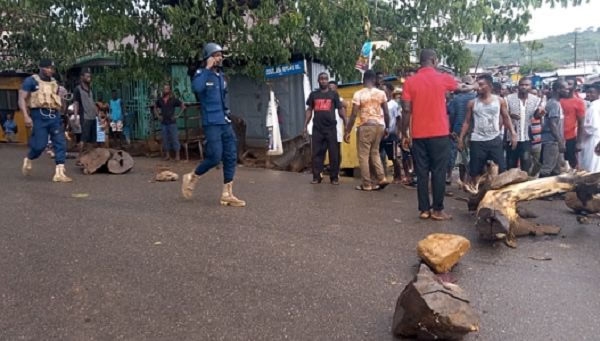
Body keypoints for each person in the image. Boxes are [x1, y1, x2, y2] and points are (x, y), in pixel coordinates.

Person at [182, 42, 245, 207]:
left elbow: (223, 99)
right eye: (216, 55)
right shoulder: (201, 74)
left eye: (220, 55)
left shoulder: (221, 77)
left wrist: (228, 114)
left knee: (231, 155)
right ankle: (192, 176)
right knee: (215, 156)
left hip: (224, 121)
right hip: (211, 123)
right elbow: (197, 88)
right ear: (209, 57)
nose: (220, 58)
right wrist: (207, 68)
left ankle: (227, 193)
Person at [401, 49, 458, 221]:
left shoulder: (409, 82)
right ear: (434, 60)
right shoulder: (443, 78)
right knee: (438, 171)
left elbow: (406, 110)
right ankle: (438, 209)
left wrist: (405, 133)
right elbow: (460, 87)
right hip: (439, 133)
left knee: (422, 172)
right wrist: (475, 86)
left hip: (418, 134)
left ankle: (424, 210)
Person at [19, 59, 72, 182]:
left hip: (54, 116)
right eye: (48, 68)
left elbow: (59, 98)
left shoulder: (55, 83)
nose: (50, 70)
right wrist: (26, 116)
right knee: (40, 145)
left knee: (60, 143)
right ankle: (29, 158)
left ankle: (59, 172)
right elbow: (21, 98)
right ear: (41, 68)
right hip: (39, 116)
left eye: (52, 68)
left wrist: (63, 110)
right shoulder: (30, 81)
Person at [458, 74, 517, 183]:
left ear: (489, 86)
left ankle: (498, 194)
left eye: (481, 84)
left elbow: (506, 117)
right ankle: (476, 193)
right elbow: (467, 122)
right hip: (477, 141)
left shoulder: (499, 101)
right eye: (477, 84)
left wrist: (513, 133)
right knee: (475, 171)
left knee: (501, 169)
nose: (478, 87)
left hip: (494, 139)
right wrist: (461, 139)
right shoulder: (472, 103)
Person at [344, 69, 390, 191]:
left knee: (363, 156)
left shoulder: (359, 94)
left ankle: (366, 184)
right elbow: (386, 112)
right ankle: (381, 178)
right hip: (379, 126)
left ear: (363, 80)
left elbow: (354, 114)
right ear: (374, 80)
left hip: (365, 126)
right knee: (374, 153)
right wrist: (388, 127)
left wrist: (347, 131)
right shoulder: (381, 94)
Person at [303, 72, 346, 184]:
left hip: (331, 129)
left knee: (334, 153)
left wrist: (346, 122)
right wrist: (305, 125)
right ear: (318, 80)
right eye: (321, 79)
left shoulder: (334, 95)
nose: (323, 81)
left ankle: (334, 178)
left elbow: (340, 109)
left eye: (325, 79)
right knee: (316, 154)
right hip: (317, 129)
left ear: (328, 80)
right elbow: (309, 110)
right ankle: (317, 177)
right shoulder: (313, 95)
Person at [505, 77, 542, 172]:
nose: (524, 87)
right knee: (511, 164)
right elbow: (503, 115)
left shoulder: (535, 100)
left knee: (526, 163)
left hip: (526, 137)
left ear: (530, 87)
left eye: (527, 85)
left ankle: (524, 184)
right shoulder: (508, 99)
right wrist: (510, 114)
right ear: (518, 86)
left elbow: (536, 116)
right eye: (522, 85)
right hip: (511, 137)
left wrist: (540, 114)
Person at [448, 76, 477, 185]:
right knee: (471, 156)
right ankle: (469, 180)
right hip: (473, 131)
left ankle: (456, 178)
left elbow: (451, 115)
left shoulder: (456, 99)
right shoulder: (476, 97)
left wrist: (451, 129)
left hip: (458, 130)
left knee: (458, 156)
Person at [539, 81, 567, 177]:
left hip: (554, 141)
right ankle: (539, 190)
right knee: (547, 169)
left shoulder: (554, 103)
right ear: (558, 90)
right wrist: (560, 141)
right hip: (552, 141)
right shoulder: (554, 104)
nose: (567, 91)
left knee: (557, 169)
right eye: (565, 89)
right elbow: (552, 124)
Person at [154, 84, 186, 161]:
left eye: (167, 89)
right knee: (165, 139)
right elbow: (155, 107)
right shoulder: (160, 100)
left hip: (172, 122)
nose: (165, 90)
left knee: (174, 138)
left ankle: (177, 156)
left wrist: (177, 115)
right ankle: (167, 155)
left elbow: (183, 106)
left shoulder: (174, 100)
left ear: (169, 90)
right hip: (164, 122)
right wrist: (158, 116)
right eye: (164, 89)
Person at [560, 78, 586, 169]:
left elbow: (581, 123)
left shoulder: (579, 102)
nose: (567, 86)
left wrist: (579, 142)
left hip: (570, 138)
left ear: (575, 87)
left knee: (572, 164)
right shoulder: (557, 100)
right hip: (557, 138)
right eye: (565, 84)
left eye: (570, 84)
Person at [379, 83, 402, 182]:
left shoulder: (394, 104)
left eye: (384, 90)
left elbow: (398, 118)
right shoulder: (379, 103)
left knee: (393, 157)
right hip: (379, 133)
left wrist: (398, 131)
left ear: (389, 92)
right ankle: (381, 176)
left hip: (391, 134)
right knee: (378, 155)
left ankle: (398, 176)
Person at [73, 70, 99, 154]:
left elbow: (92, 102)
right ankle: (79, 157)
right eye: (87, 76)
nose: (89, 78)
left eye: (90, 76)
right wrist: (76, 118)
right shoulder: (78, 89)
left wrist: (98, 115)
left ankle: (90, 158)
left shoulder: (90, 89)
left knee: (92, 140)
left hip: (92, 117)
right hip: (85, 117)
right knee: (83, 139)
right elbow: (76, 103)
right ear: (82, 77)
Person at [580, 83, 600, 172]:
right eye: (587, 92)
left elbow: (591, 127)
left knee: (591, 164)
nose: (589, 94)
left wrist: (579, 133)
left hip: (593, 139)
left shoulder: (593, 107)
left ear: (598, 94)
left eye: (592, 93)